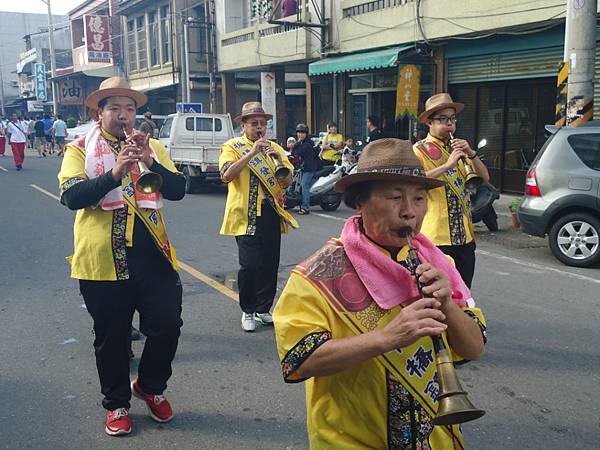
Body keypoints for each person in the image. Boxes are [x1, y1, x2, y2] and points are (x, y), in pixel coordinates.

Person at [274, 138, 487, 449]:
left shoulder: (439, 264)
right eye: (395, 197)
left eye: (419, 199)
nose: (409, 213)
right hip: (351, 440)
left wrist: (449, 308)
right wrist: (388, 337)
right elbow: (298, 362)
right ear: (360, 201)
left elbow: (474, 349)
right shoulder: (317, 275)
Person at [57, 77, 186, 436]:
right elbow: (72, 197)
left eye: (130, 108)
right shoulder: (79, 148)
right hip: (102, 258)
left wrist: (149, 161)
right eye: (115, 107)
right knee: (111, 337)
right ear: (100, 113)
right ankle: (116, 404)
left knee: (167, 325)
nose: (124, 115)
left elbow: (177, 190)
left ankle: (150, 385)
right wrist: (114, 173)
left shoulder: (153, 146)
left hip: (153, 258)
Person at [219, 102, 298, 332]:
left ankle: (264, 308)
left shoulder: (274, 147)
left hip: (271, 214)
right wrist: (252, 154)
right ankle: (248, 309)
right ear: (243, 125)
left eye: (263, 123)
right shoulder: (232, 146)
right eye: (254, 123)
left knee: (270, 264)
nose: (260, 127)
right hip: (245, 214)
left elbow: (287, 181)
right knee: (250, 265)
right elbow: (226, 174)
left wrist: (279, 161)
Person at [413, 93, 490, 288]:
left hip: (464, 235)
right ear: (429, 122)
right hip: (436, 236)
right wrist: (447, 166)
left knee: (464, 290)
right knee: (437, 293)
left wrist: (471, 153)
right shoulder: (419, 149)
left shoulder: (458, 148)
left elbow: (485, 178)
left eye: (452, 119)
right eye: (443, 119)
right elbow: (416, 181)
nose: (449, 124)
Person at [293, 123, 320, 215]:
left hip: (309, 168)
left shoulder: (308, 144)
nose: (300, 134)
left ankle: (305, 207)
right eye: (299, 132)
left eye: (302, 132)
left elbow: (298, 151)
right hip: (302, 167)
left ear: (306, 134)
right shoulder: (300, 142)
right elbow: (293, 151)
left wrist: (296, 145)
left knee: (304, 186)